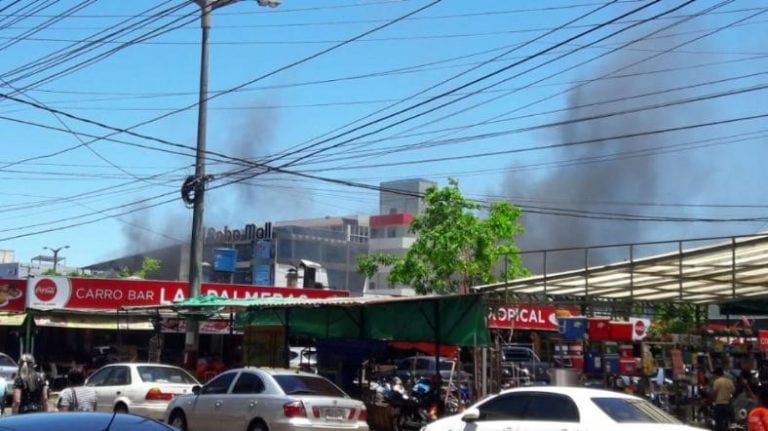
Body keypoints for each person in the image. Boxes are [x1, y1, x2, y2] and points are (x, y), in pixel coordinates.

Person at [711, 367, 736, 431]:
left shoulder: (717, 381)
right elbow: (733, 391)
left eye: (714, 375)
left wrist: (711, 400)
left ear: (716, 374)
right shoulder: (730, 381)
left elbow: (714, 393)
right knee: (727, 421)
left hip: (719, 404)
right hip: (728, 405)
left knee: (719, 422)